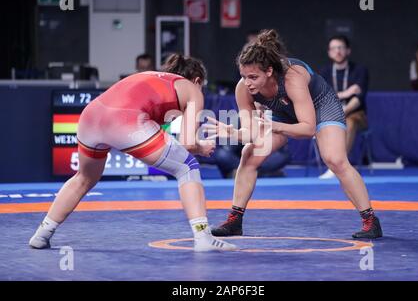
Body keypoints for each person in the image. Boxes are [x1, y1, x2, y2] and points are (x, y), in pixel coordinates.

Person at [29, 54, 236, 252]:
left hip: (90, 116)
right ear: (197, 80)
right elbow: (188, 143)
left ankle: (42, 234)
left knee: (84, 178)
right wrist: (201, 147)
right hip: (125, 121)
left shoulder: (154, 79)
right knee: (187, 167)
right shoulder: (193, 89)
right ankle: (203, 237)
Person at [205, 29, 383, 239]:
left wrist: (274, 126)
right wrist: (234, 132)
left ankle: (370, 220)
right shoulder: (243, 88)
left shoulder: (292, 77)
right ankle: (234, 221)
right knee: (249, 154)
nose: (248, 82)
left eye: (253, 77)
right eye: (244, 76)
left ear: (269, 71)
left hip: (321, 106)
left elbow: (307, 129)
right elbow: (251, 133)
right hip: (283, 112)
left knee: (335, 159)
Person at [318, 35, 369, 179]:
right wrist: (346, 93)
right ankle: (331, 162)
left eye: (341, 48)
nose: (338, 51)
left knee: (350, 121)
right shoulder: (324, 72)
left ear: (348, 51)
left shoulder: (359, 70)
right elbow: (323, 97)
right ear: (329, 52)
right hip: (331, 113)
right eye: (334, 48)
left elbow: (359, 98)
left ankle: (337, 166)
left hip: (356, 114)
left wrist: (342, 111)